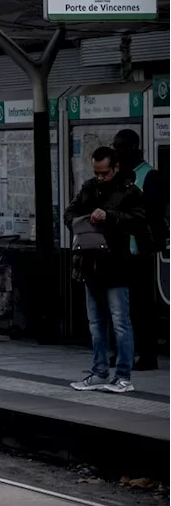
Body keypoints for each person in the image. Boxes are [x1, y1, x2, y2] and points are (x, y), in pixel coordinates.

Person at [63, 146, 146, 393]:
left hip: (117, 263)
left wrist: (109, 215)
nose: (100, 177)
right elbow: (70, 212)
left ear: (116, 167)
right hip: (90, 263)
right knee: (96, 321)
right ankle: (99, 371)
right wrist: (83, 219)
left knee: (120, 321)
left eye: (105, 173)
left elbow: (139, 219)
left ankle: (123, 376)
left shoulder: (130, 191)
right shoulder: (89, 187)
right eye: (97, 172)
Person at [113, 129, 164, 371]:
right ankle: (123, 352)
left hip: (140, 251)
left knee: (142, 306)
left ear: (134, 147)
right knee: (120, 306)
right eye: (115, 146)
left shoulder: (149, 176)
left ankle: (148, 354)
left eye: (120, 146)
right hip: (118, 251)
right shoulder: (118, 176)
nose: (116, 151)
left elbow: (155, 213)